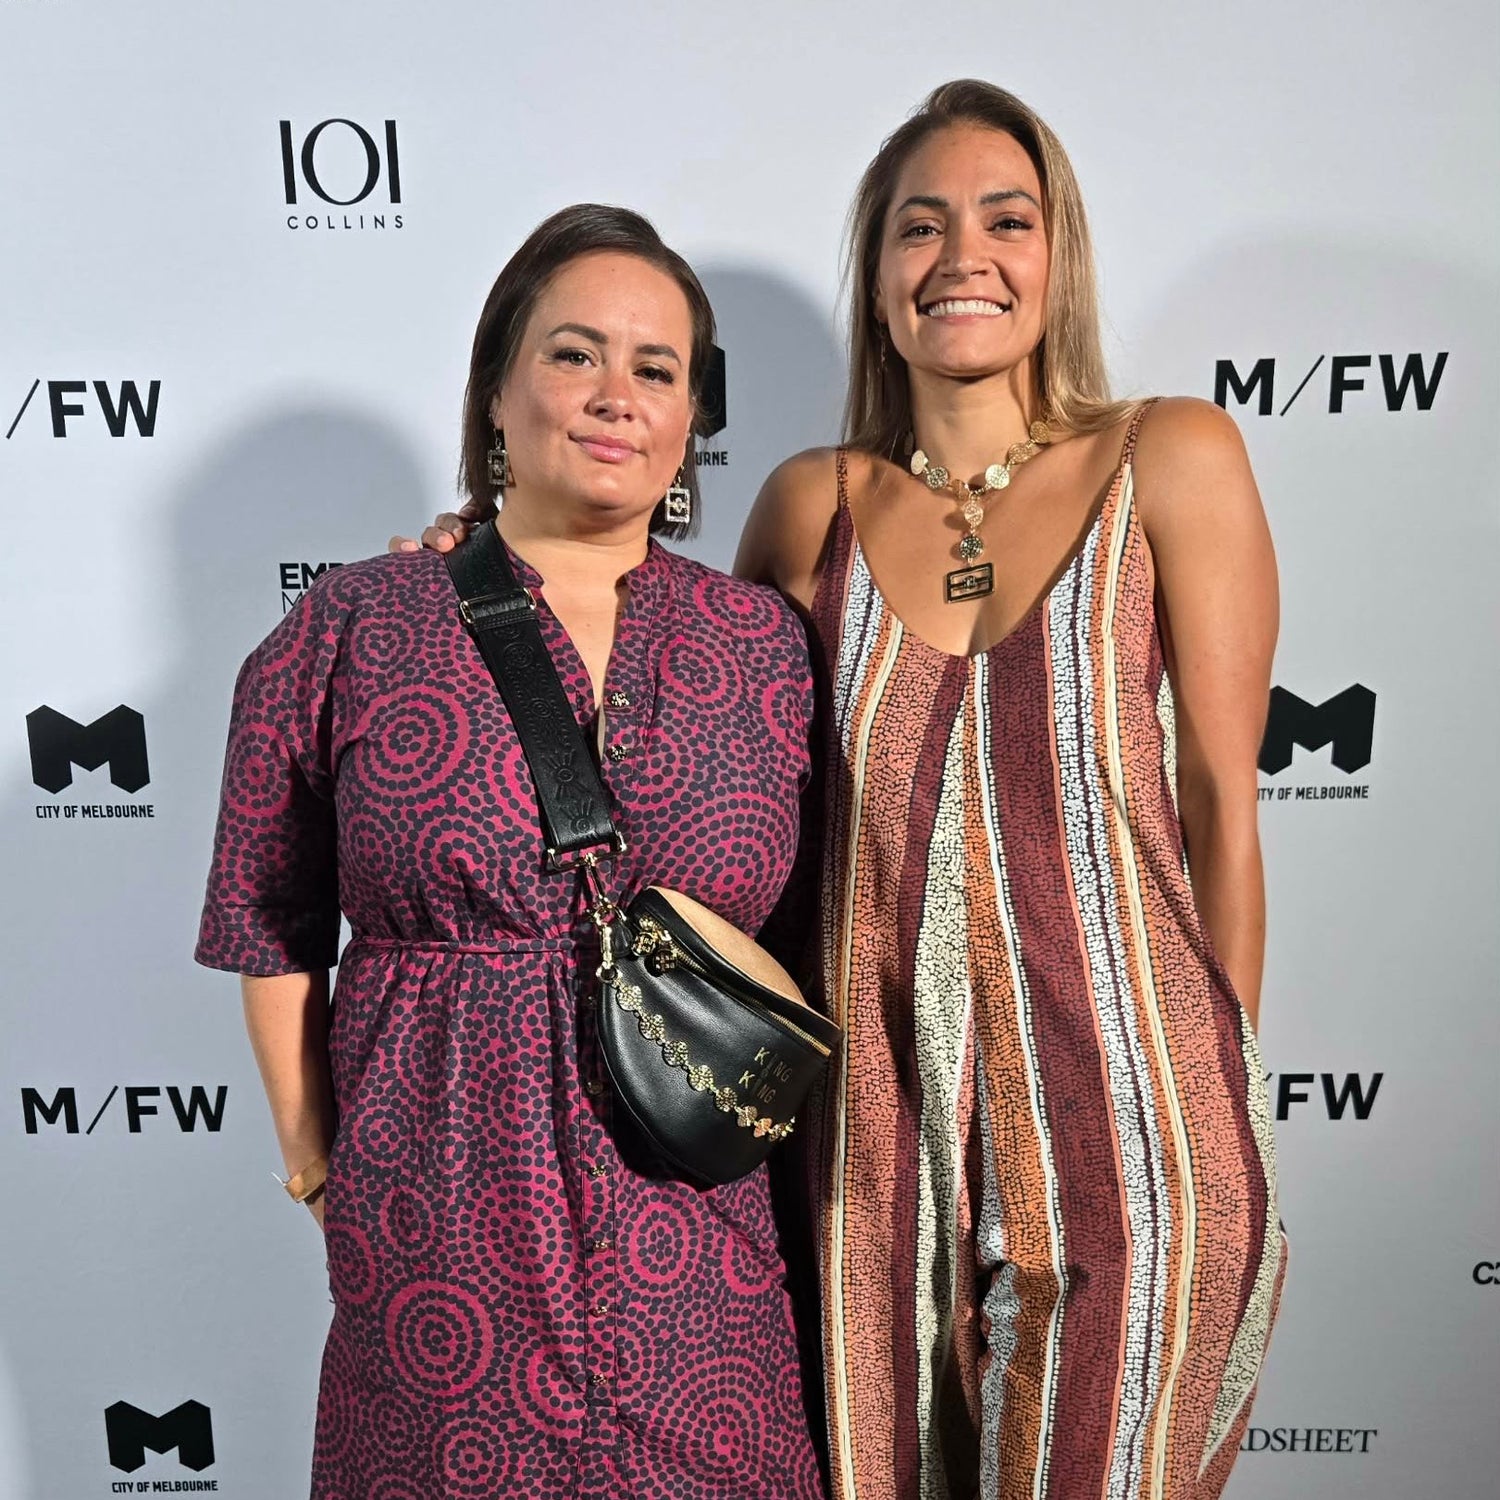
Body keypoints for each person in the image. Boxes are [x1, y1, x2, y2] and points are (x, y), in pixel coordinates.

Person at [402, 80, 1286, 1500]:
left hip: (1140, 1135)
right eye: (916, 228)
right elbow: (641, 682)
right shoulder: (812, 505)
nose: (962, 258)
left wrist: (1214, 1088)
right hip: (868, 1161)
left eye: (1008, 219)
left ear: (1058, 256)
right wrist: (480, 565)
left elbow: (1224, 804)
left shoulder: (1169, 456)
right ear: (876, 277)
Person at [197, 204, 826, 1499]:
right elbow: (268, 920)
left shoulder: (767, 644)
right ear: (497, 386)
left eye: (657, 370)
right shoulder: (351, 626)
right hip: (437, 1236)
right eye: (573, 355)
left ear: (692, 418)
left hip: (700, 1266)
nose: (616, 398)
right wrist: (323, 1169)